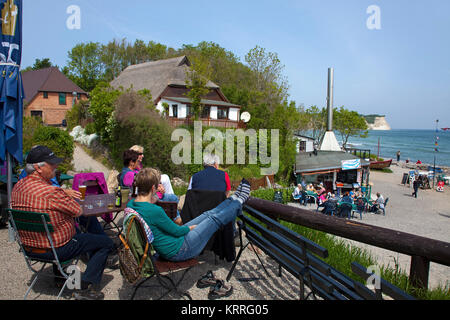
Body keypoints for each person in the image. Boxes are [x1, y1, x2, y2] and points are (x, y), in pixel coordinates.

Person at [11, 145, 115, 300]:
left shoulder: (17, 187)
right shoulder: (52, 192)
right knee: (105, 243)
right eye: (51, 163)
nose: (56, 166)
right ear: (38, 168)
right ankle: (85, 287)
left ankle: (60, 277)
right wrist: (65, 195)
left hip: (29, 248)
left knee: (56, 225)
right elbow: (79, 211)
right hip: (56, 249)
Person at [126, 168, 251, 262]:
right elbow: (176, 231)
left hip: (170, 245)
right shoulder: (154, 211)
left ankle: (233, 199)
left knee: (208, 214)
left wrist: (154, 198)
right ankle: (240, 201)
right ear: (153, 188)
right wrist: (189, 228)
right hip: (180, 250)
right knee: (213, 219)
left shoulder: (132, 204)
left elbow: (171, 229)